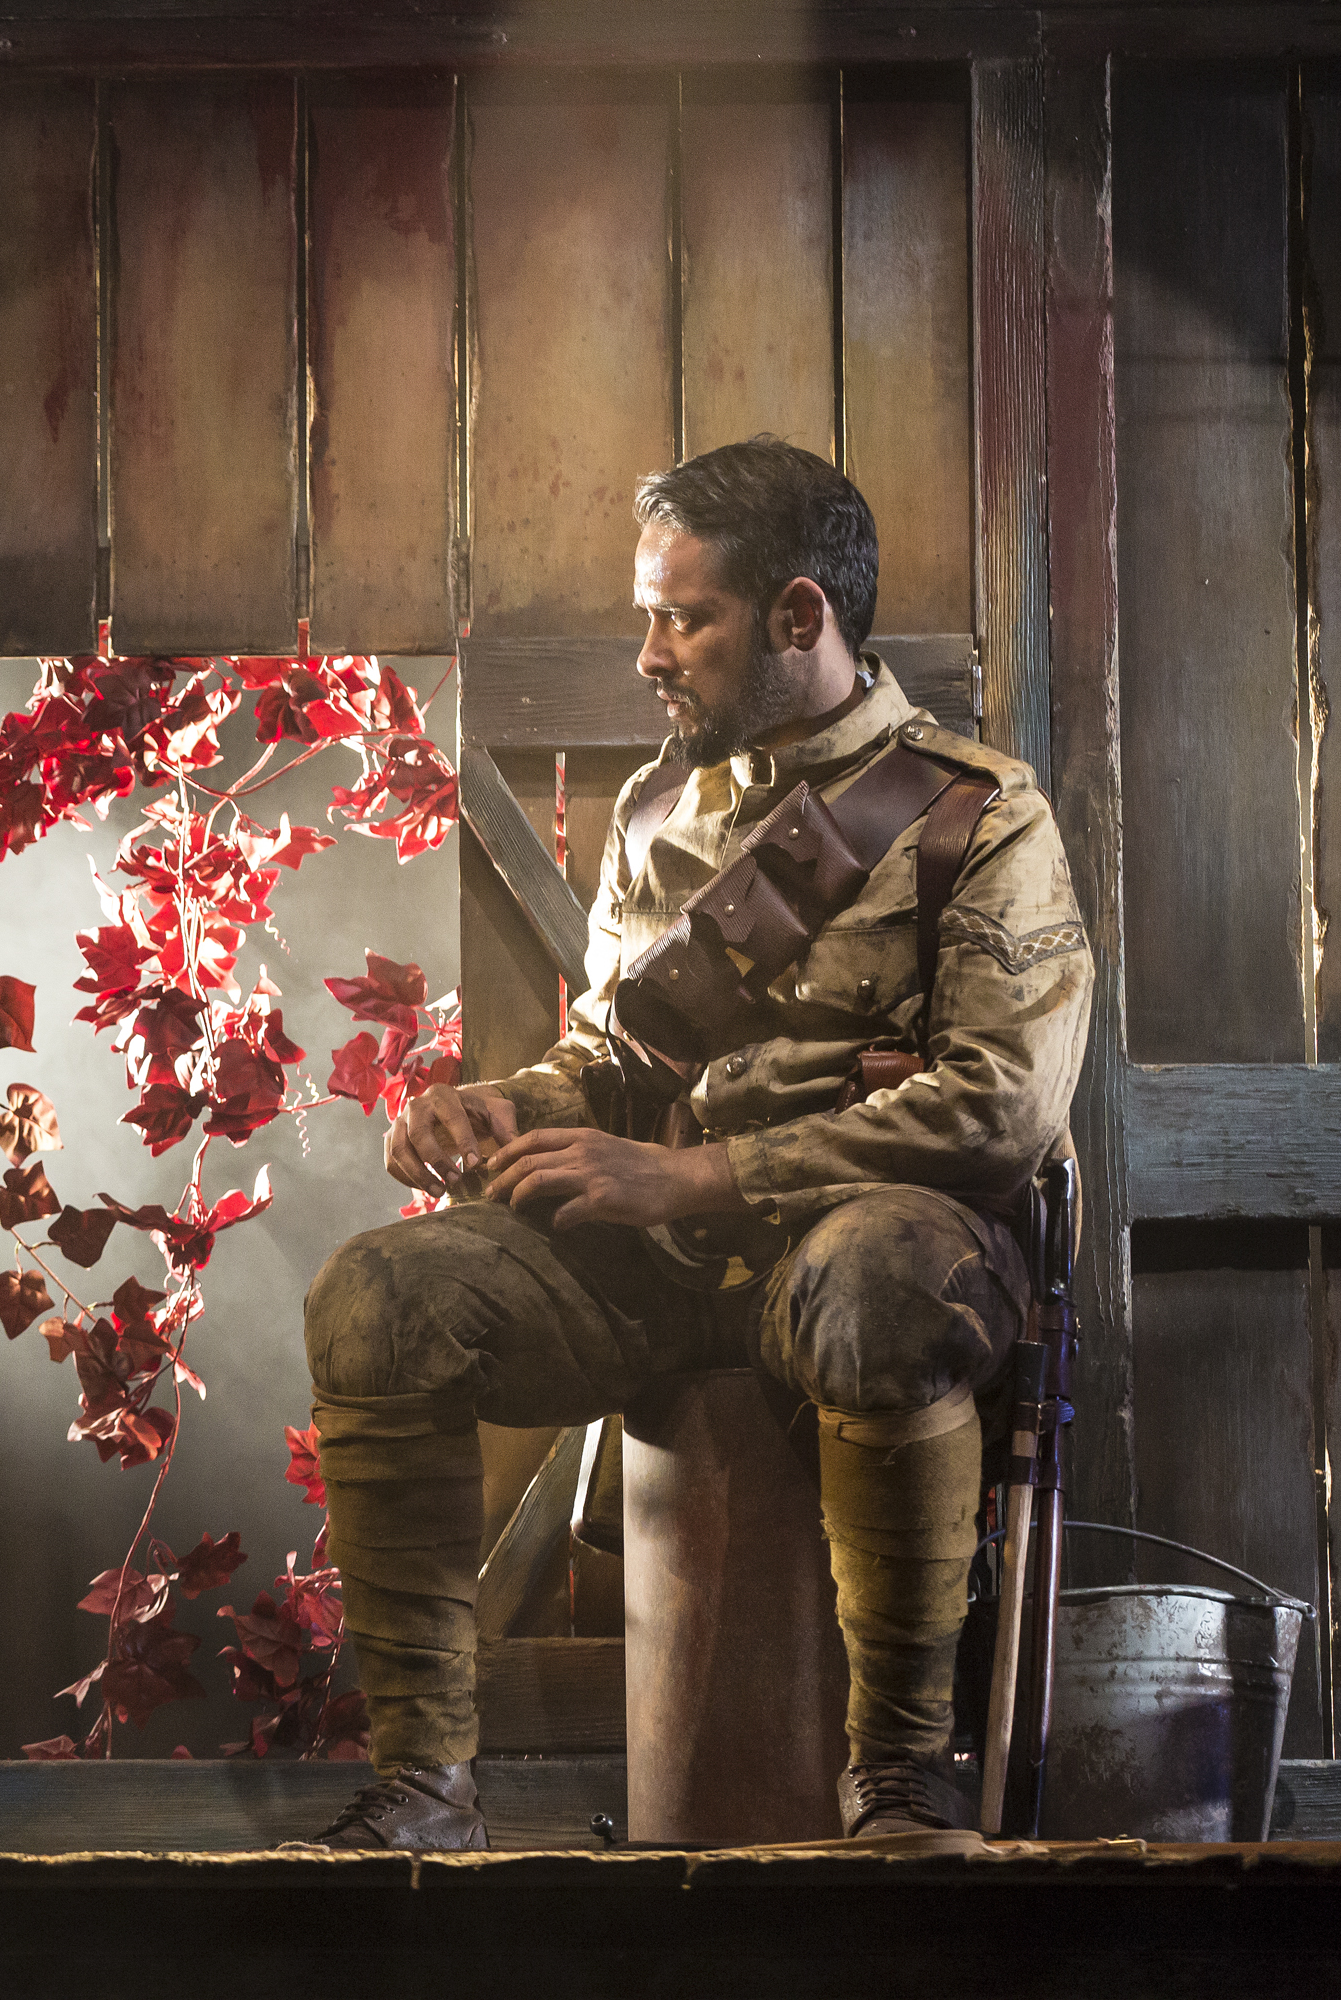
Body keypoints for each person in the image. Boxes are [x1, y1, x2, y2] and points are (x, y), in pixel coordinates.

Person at [293, 438, 1091, 1850]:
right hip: (667, 1272)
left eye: (683, 618)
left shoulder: (977, 815)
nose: (650, 654)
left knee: (878, 1278)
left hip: (870, 1263)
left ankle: (901, 1776)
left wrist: (699, 1174)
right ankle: (425, 1787)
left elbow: (1001, 1106)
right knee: (378, 1296)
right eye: (647, 616)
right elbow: (616, 1055)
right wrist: (508, 1107)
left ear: (798, 616)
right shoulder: (661, 810)